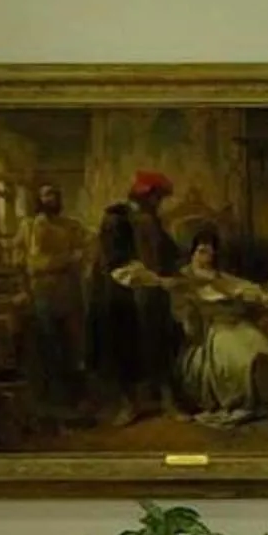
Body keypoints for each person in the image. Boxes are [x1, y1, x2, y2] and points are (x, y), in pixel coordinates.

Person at [113, 222, 268, 426]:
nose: (205, 256)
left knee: (266, 348)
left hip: (236, 324)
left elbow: (246, 291)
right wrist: (192, 319)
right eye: (201, 250)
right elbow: (184, 316)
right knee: (245, 358)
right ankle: (242, 401)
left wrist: (257, 302)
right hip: (211, 330)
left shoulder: (220, 276)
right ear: (193, 252)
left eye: (209, 251)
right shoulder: (184, 278)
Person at [88, 169, 178, 424]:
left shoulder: (152, 219)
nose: (159, 204)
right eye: (157, 198)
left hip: (150, 292)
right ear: (146, 196)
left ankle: (166, 399)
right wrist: (156, 279)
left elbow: (167, 252)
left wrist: (180, 271)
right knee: (123, 346)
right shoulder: (116, 218)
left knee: (160, 340)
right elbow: (117, 264)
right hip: (120, 291)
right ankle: (129, 404)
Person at [18, 179, 91, 421]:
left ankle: (75, 400)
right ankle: (51, 402)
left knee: (72, 345)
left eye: (55, 194)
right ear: (38, 199)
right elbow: (25, 263)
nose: (52, 199)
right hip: (41, 293)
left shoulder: (71, 227)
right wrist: (26, 288)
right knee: (47, 344)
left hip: (67, 292)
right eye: (47, 195)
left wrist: (68, 261)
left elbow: (84, 252)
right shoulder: (28, 226)